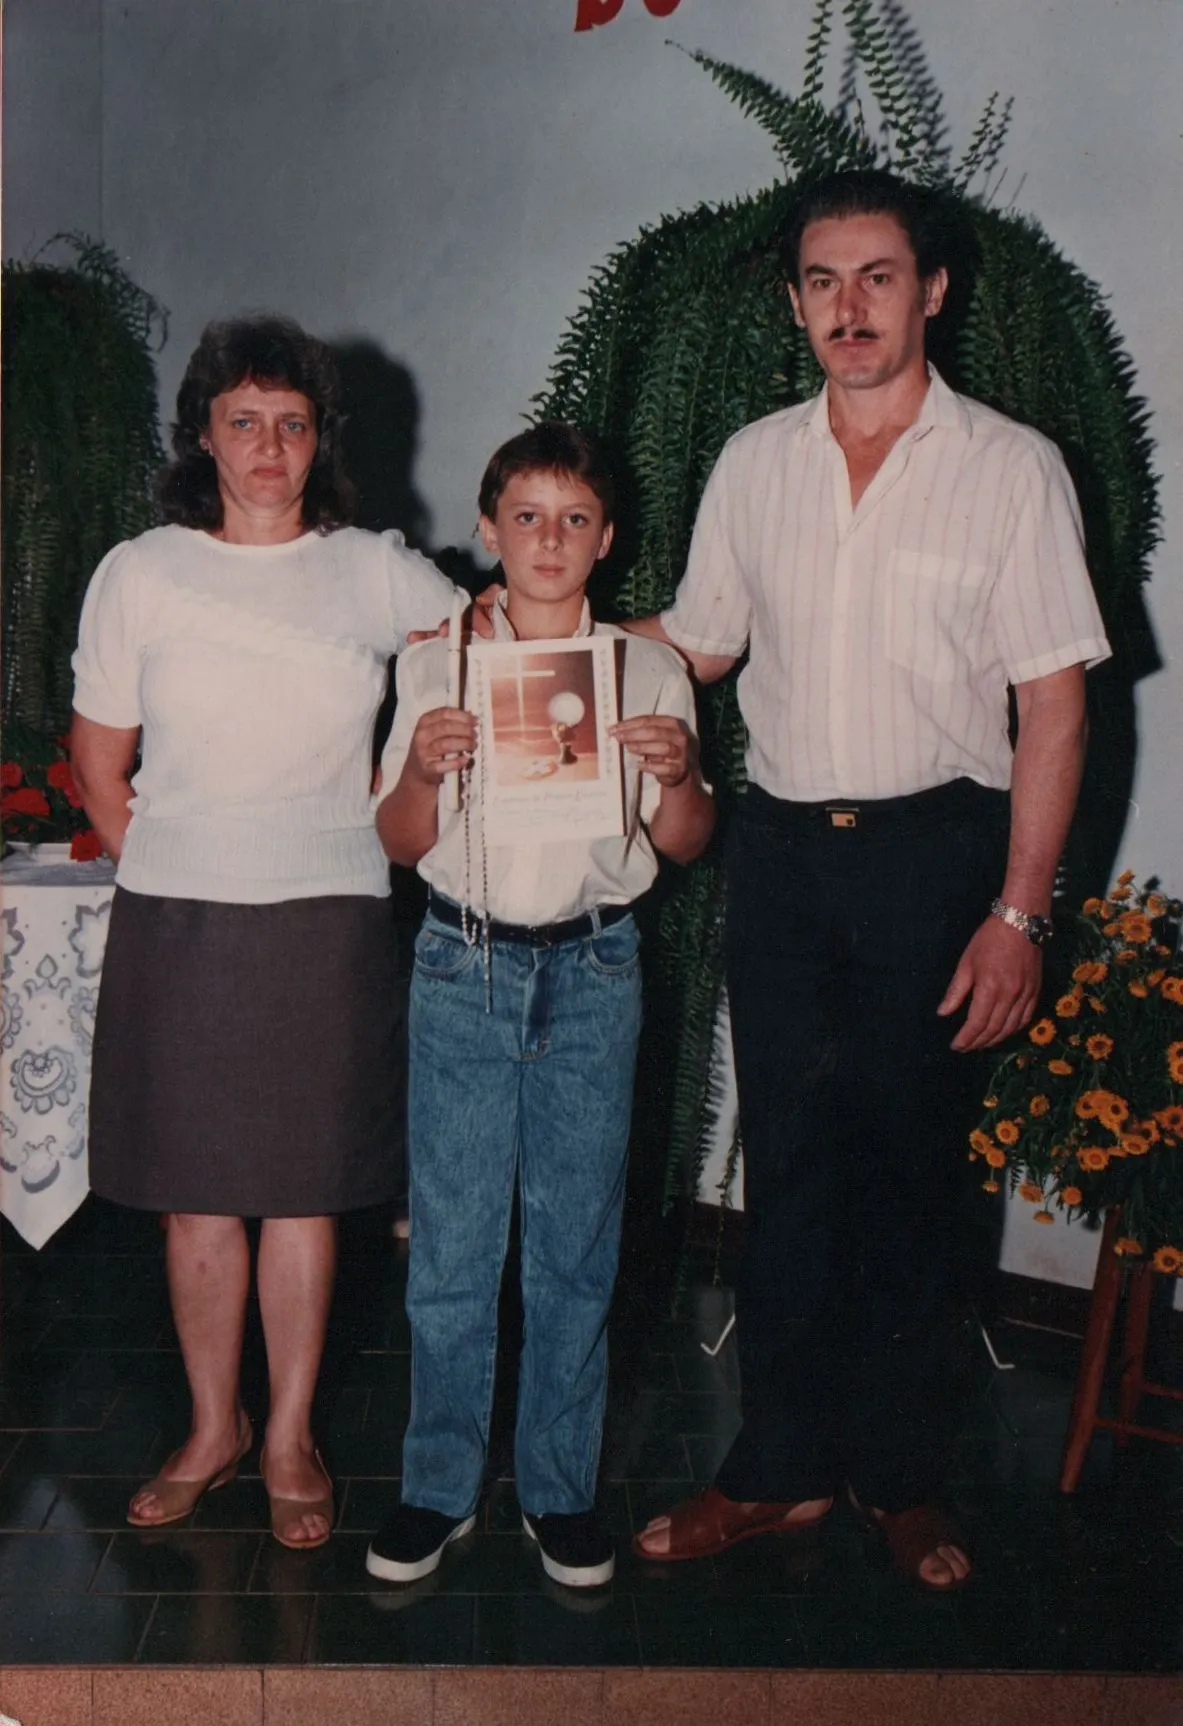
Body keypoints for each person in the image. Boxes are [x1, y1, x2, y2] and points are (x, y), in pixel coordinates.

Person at [627, 169, 1110, 1589]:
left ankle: (899, 1479)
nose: (848, 308)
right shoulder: (751, 461)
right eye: (822, 282)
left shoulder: (1008, 468)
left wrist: (1017, 913)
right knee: (786, 1175)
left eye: (877, 277)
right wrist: (532, 634)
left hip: (934, 859)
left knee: (907, 1182)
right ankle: (772, 1470)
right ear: (792, 301)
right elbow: (699, 644)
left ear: (930, 289)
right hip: (779, 858)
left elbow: (1056, 707)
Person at [70, 315, 458, 1549]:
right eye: (244, 421)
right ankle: (210, 1425)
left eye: (293, 423)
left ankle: (289, 1434)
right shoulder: (141, 570)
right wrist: (170, 860)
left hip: (328, 910)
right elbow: (97, 753)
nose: (270, 446)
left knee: (302, 1196)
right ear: (203, 435)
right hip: (181, 913)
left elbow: (488, 649)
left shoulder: (374, 566)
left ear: (319, 438)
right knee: (197, 1199)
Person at [365, 423, 714, 1588]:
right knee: (453, 1249)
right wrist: (423, 767)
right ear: (487, 530)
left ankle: (558, 1490)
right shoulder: (436, 664)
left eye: (574, 520)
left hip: (594, 969)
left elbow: (685, 840)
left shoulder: (646, 672)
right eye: (526, 516)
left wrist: (676, 776)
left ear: (607, 539)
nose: (549, 539)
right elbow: (400, 841)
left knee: (574, 1248)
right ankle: (437, 1485)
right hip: (461, 968)